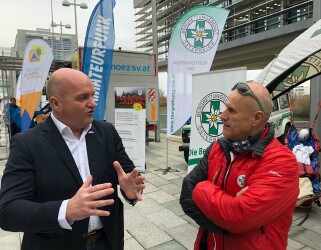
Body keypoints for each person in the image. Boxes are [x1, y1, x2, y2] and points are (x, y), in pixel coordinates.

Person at [0, 68, 146, 250]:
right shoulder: (27, 144)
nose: (92, 103)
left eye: (92, 95)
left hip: (107, 242)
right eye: (82, 98)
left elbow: (128, 177)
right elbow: (8, 212)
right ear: (56, 103)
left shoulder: (107, 133)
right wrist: (66, 210)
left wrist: (131, 191)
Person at [180, 82, 299, 250]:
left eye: (232, 111)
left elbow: (238, 217)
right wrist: (225, 222)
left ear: (256, 118)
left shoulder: (281, 162)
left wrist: (201, 188)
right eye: (225, 108)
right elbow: (186, 195)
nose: (222, 116)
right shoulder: (217, 148)